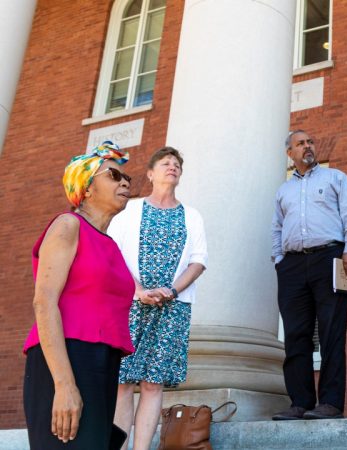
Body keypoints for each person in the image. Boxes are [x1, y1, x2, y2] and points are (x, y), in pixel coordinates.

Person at [22, 141, 134, 449]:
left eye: (127, 178)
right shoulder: (68, 225)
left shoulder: (111, 245)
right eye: (113, 175)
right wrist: (64, 384)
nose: (124, 182)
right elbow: (43, 301)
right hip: (65, 360)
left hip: (104, 364)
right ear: (86, 188)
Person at [109, 147, 208, 450]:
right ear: (150, 174)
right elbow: (112, 253)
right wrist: (138, 290)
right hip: (130, 304)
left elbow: (199, 260)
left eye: (177, 164)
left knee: (153, 384)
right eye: (166, 163)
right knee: (123, 383)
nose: (173, 167)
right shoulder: (131, 210)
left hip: (172, 309)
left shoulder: (191, 215)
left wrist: (173, 291)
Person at [271, 130, 347, 420]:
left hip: (330, 257)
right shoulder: (283, 191)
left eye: (310, 142)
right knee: (296, 335)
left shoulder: (335, 178)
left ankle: (331, 404)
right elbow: (276, 228)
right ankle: (300, 403)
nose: (307, 147)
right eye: (300, 144)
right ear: (290, 153)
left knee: (331, 333)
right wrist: (279, 260)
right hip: (292, 265)